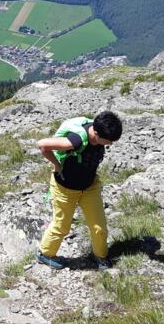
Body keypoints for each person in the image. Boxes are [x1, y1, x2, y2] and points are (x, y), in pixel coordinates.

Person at [36, 111, 123, 270]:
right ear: (96, 134)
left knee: (99, 227)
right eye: (109, 140)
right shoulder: (76, 140)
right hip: (65, 189)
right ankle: (45, 254)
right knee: (61, 226)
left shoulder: (99, 135)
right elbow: (43, 145)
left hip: (90, 187)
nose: (110, 143)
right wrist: (56, 165)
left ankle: (100, 256)